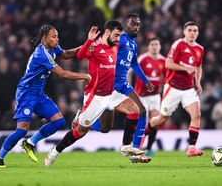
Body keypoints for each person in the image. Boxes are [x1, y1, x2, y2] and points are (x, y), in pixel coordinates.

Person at [44, 19, 150, 166]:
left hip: (112, 92)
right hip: (96, 96)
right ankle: (55, 151)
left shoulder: (117, 45)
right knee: (80, 132)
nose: (118, 39)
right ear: (107, 32)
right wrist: (89, 41)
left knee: (134, 111)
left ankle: (126, 147)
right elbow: (80, 55)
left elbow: (128, 49)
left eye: (120, 36)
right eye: (116, 35)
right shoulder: (95, 46)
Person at [0, 24, 91, 168]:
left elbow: (66, 54)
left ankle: (30, 142)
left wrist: (85, 45)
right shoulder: (41, 54)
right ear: (44, 38)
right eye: (54, 36)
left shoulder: (52, 48)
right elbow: (62, 73)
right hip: (26, 93)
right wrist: (84, 76)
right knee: (22, 129)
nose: (57, 39)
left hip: (38, 94)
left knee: (59, 121)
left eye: (57, 36)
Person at [150, 21, 205, 157]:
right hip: (173, 87)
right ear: (184, 32)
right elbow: (168, 63)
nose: (192, 33)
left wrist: (197, 82)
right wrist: (185, 69)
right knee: (161, 119)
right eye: (190, 30)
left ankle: (191, 147)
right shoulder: (178, 44)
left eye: (195, 31)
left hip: (189, 89)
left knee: (196, 114)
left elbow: (198, 67)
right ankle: (147, 128)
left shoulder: (200, 49)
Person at [126, 37, 166, 156]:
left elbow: (166, 78)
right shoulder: (143, 59)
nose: (154, 47)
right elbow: (129, 71)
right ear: (149, 47)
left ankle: (149, 147)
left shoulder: (163, 61)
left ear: (160, 46)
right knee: (144, 122)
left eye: (156, 44)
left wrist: (162, 91)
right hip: (141, 96)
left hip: (155, 96)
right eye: (152, 44)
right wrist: (128, 88)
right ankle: (138, 146)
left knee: (156, 122)